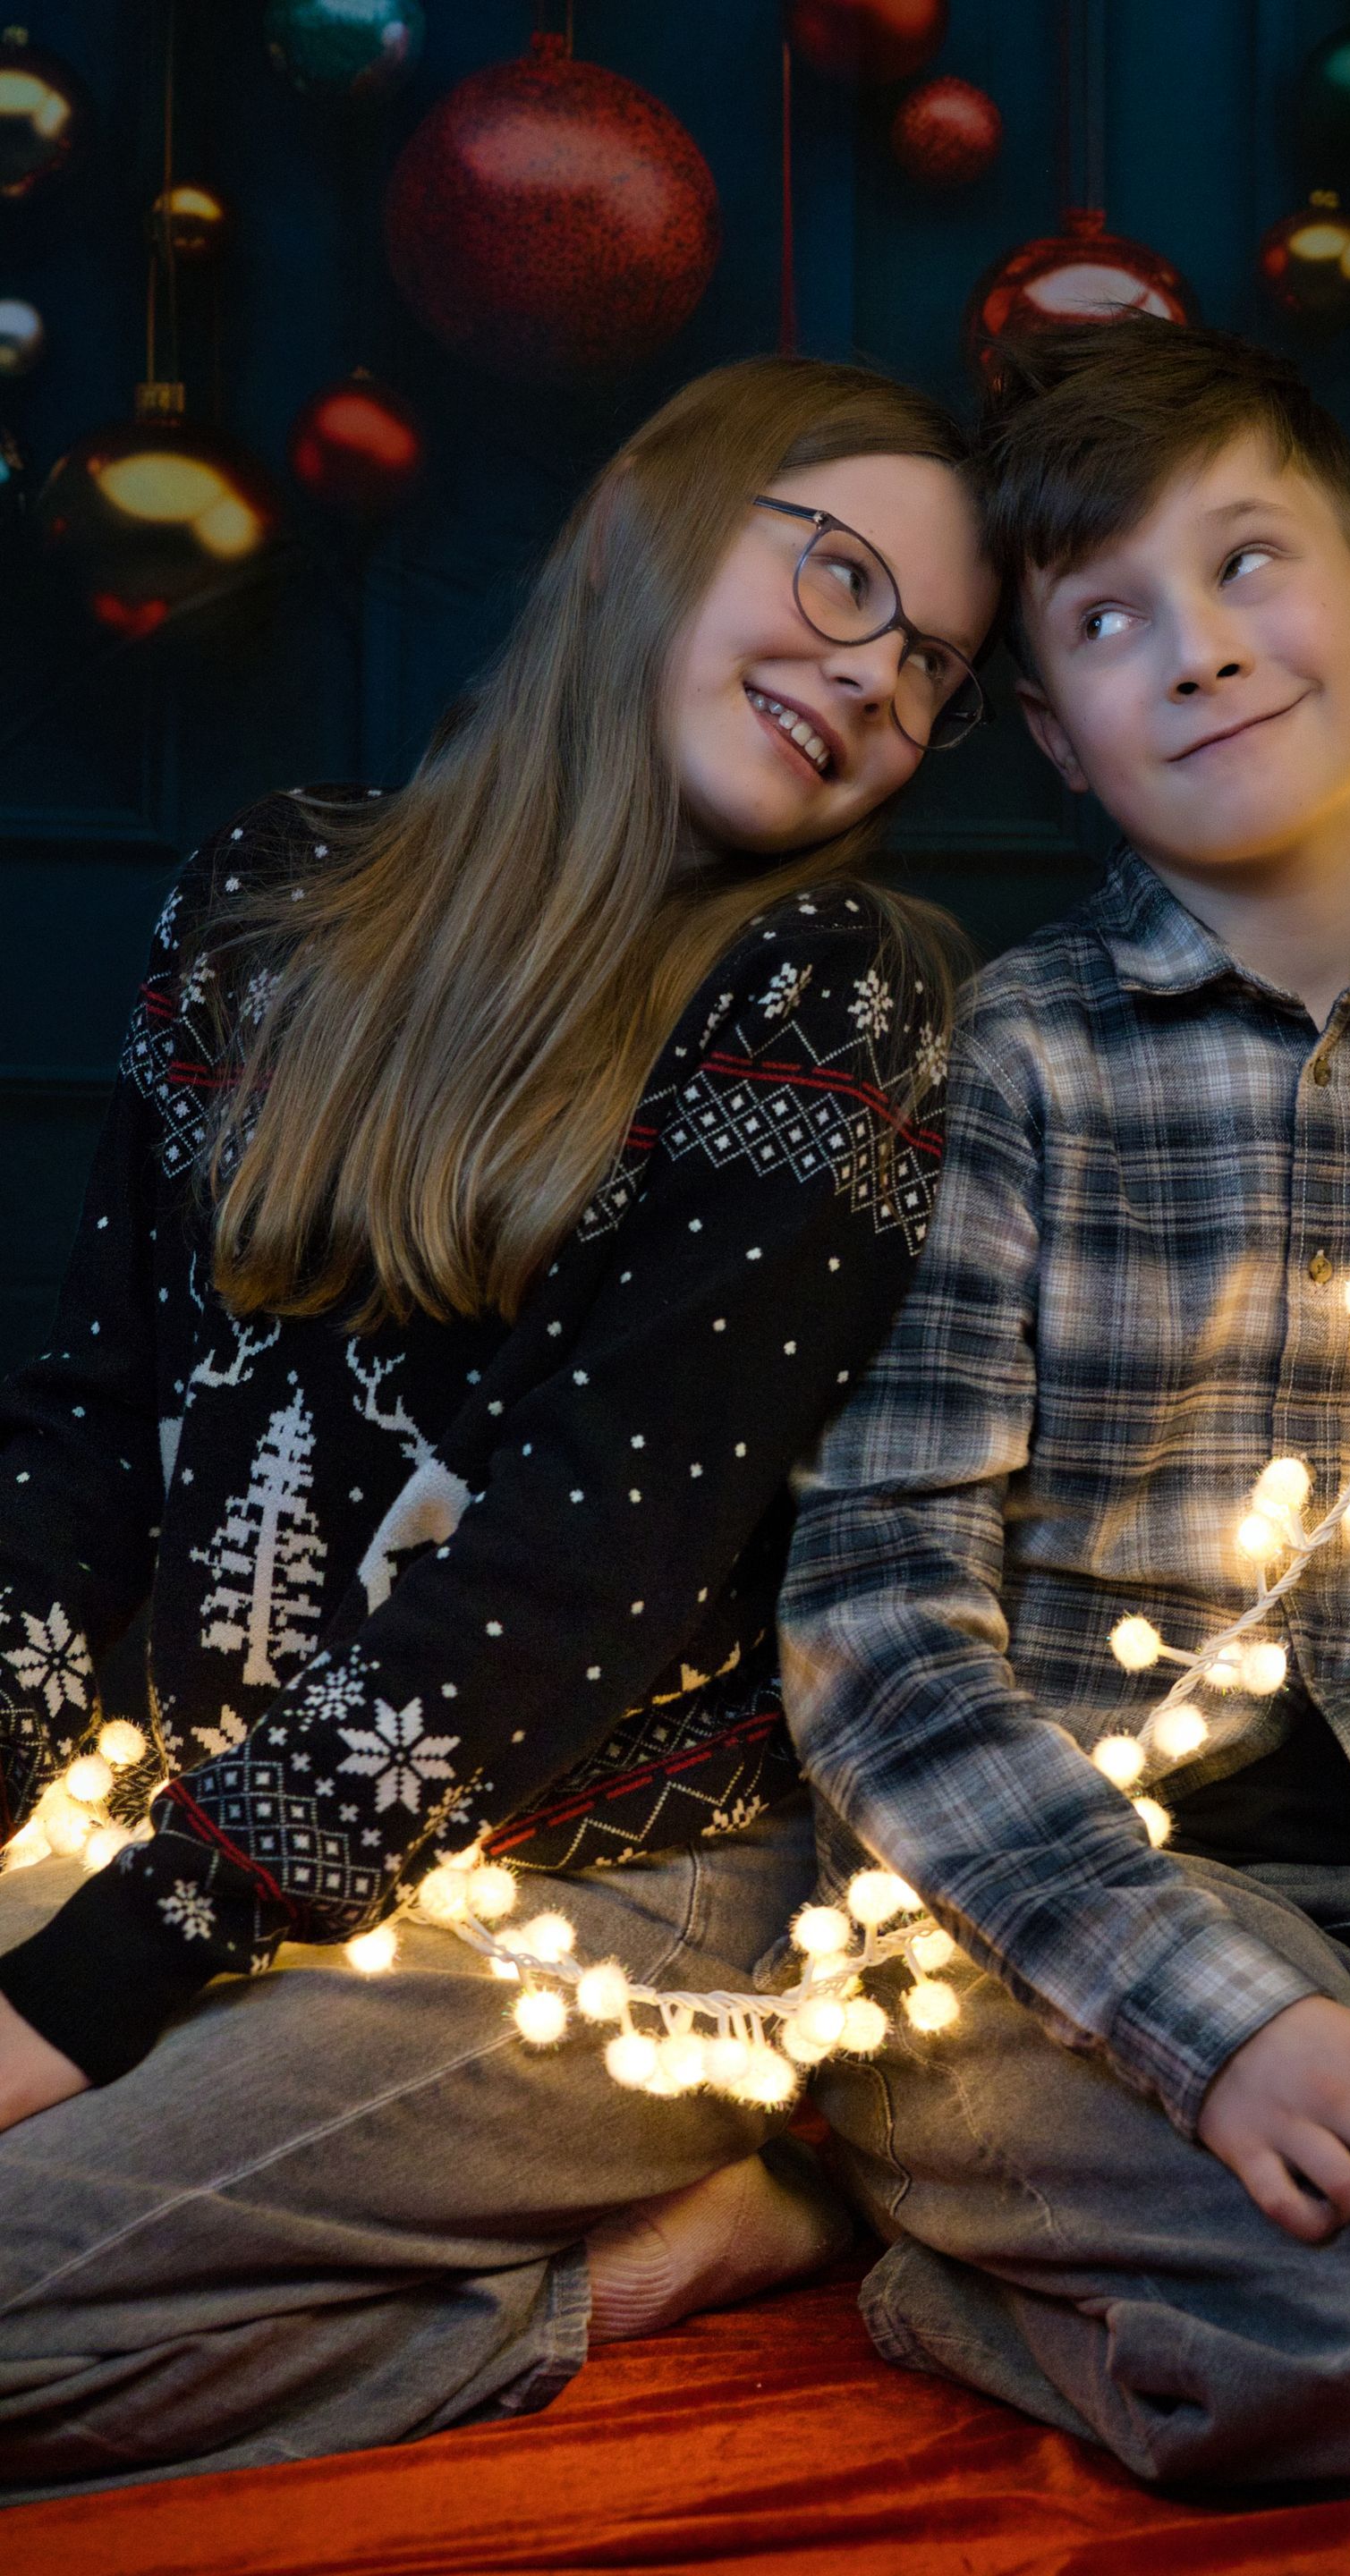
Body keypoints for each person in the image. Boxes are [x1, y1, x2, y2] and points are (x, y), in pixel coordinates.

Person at [0, 352, 998, 2500]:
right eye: (842, 580)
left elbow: (561, 1583)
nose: (874, 676)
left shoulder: (832, 989)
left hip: (599, 1905)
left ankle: (656, 2262)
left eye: (932, 664)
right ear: (645, 523)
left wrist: (68, 2000)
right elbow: (84, 1440)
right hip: (213, 1830)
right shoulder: (267, 900)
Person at [777, 317, 1350, 2496]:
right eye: (1110, 620)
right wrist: (1221, 2020)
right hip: (1029, 1939)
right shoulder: (1008, 1069)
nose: (1198, 649)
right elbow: (881, 1626)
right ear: (1054, 732)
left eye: (1247, 565)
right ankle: (932, 2268)